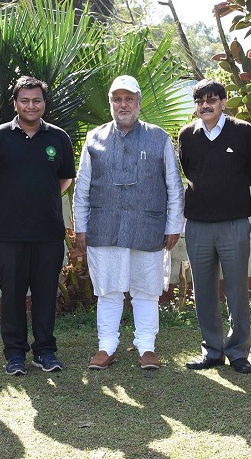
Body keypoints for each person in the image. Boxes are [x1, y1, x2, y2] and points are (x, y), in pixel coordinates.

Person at [73, 75, 184, 370]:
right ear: (111, 103)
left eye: (129, 99)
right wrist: (80, 225)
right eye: (117, 99)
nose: (123, 105)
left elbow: (174, 185)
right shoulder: (94, 138)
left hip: (148, 227)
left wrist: (174, 225)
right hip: (104, 227)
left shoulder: (159, 137)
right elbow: (82, 187)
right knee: (108, 291)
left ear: (139, 102)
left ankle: (146, 347)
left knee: (146, 290)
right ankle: (106, 346)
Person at [0, 76, 76, 376]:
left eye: (37, 100)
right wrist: (0, 207)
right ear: (15, 103)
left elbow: (65, 178)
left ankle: (45, 351)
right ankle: (15, 353)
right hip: (9, 233)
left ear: (44, 103)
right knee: (13, 295)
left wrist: (42, 198)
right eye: (25, 100)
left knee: (45, 294)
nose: (31, 106)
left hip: (48, 231)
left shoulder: (58, 138)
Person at [178, 79, 251, 374]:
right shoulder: (187, 135)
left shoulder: (242, 131)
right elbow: (188, 168)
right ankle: (212, 351)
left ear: (224, 102)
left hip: (233, 223)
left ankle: (238, 351)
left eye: (212, 99)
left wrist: (230, 190)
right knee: (203, 291)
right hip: (198, 225)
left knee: (237, 291)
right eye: (200, 100)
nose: (206, 105)